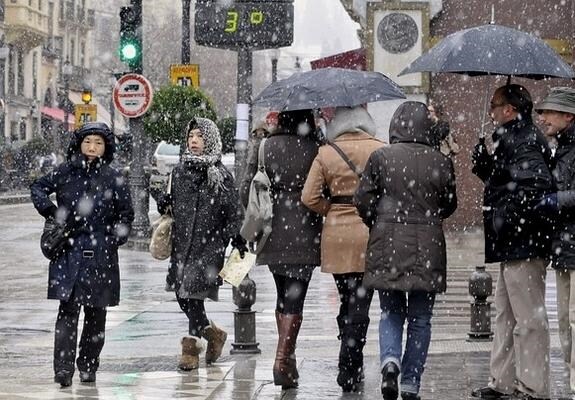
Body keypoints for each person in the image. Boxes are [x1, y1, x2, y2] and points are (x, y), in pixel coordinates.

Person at [354, 101, 457, 400]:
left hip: (387, 242)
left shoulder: (381, 157)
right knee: (421, 318)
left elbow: (362, 199)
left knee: (390, 311)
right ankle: (411, 381)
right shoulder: (439, 161)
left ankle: (390, 361)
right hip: (428, 245)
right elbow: (449, 205)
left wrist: (379, 221)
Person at [30, 122, 134, 387]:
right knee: (68, 311)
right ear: (79, 143)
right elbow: (38, 188)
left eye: (98, 143)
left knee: (96, 314)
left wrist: (113, 239)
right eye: (88, 142)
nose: (92, 147)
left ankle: (88, 365)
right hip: (68, 251)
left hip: (101, 254)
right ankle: (63, 370)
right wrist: (53, 213)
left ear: (105, 147)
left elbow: (126, 214)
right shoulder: (66, 171)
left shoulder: (114, 177)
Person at [471, 84, 553, 400]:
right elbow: (506, 181)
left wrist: (505, 216)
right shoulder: (511, 139)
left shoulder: (526, 140)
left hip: (524, 242)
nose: (490, 110)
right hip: (512, 243)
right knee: (505, 315)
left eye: (495, 104)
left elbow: (532, 189)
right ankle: (502, 381)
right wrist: (486, 167)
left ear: (509, 110)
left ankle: (532, 386)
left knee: (528, 318)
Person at [301, 106, 384, 392]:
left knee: (346, 296)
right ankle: (351, 362)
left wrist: (332, 209)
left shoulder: (326, 152)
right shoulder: (380, 149)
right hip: (369, 232)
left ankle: (348, 353)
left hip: (336, 234)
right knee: (361, 302)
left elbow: (309, 197)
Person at [155, 117, 247, 371]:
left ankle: (191, 352)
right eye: (190, 136)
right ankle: (214, 335)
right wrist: (162, 200)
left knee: (193, 296)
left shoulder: (220, 175)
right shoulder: (180, 171)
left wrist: (236, 238)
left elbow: (233, 212)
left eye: (200, 136)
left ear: (210, 140)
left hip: (209, 246)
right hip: (183, 245)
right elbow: (170, 204)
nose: (194, 141)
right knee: (182, 295)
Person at [240, 109, 322, 390]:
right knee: (294, 299)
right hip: (306, 230)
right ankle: (282, 359)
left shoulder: (265, 147)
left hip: (272, 230)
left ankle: (288, 359)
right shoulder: (315, 148)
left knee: (282, 295)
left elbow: (245, 190)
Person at [534, 87, 575, 396]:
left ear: (568, 116)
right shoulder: (559, 148)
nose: (542, 117)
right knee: (564, 320)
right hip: (564, 248)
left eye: (548, 112)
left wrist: (555, 200)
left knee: (572, 319)